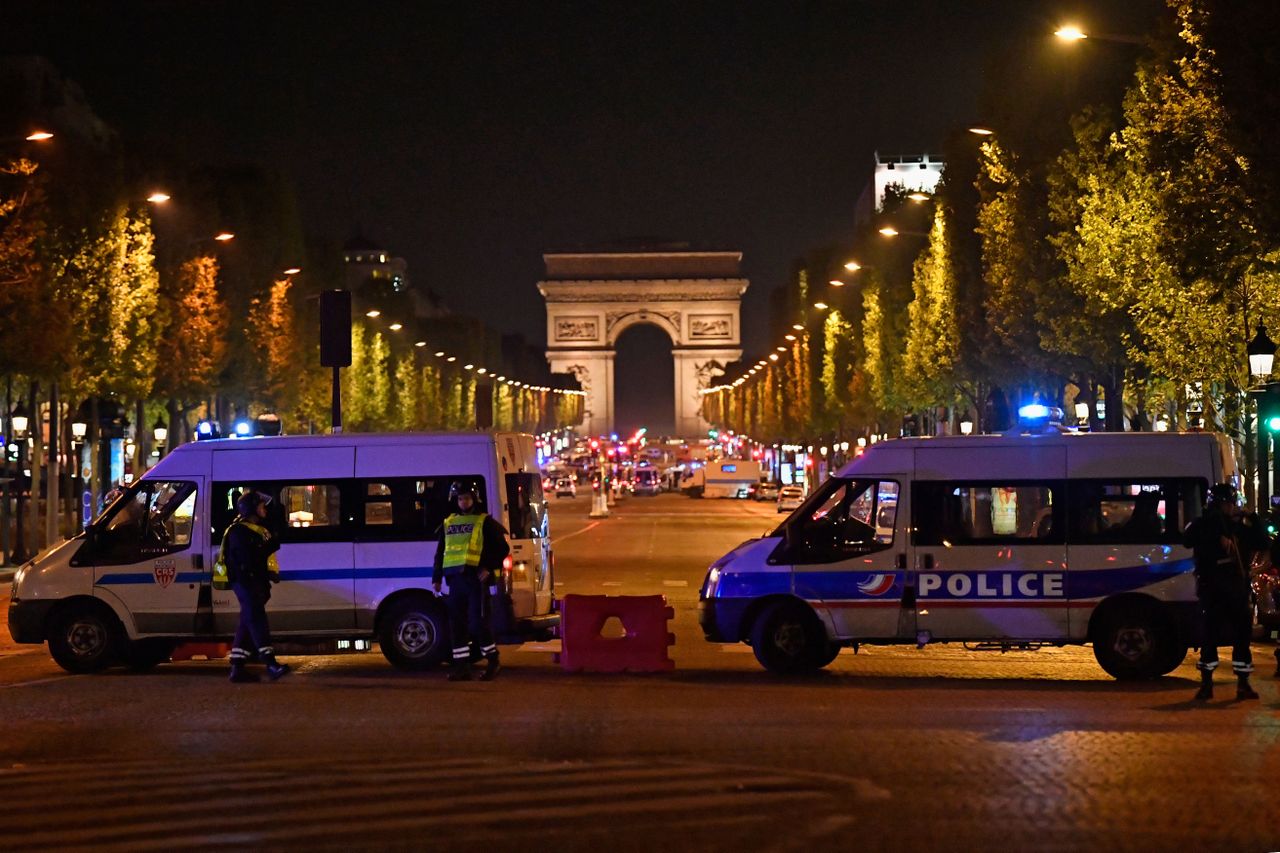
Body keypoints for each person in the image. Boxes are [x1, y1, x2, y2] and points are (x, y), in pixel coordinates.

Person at [1183, 483, 1268, 701]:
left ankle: (1221, 684)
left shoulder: (1234, 528)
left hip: (1224, 591)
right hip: (1223, 591)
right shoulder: (1208, 526)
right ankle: (1222, 684)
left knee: (1227, 637)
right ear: (1224, 504)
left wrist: (1252, 519)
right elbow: (1188, 538)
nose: (1233, 508)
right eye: (1230, 504)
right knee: (1225, 637)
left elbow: (1261, 541)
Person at [432, 482, 510, 682]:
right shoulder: (448, 523)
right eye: (460, 498)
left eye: (467, 498)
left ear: (474, 499)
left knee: (477, 624)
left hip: (475, 581)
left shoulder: (484, 522)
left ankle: (493, 661)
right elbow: (440, 552)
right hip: (455, 582)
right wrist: (437, 578)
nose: (463, 502)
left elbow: (503, 549)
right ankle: (462, 668)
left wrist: (487, 568)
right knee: (456, 625)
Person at [219, 490, 289, 684]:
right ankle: (271, 664)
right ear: (251, 510)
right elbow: (249, 560)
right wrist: (271, 545)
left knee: (246, 622)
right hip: (246, 583)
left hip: (252, 583)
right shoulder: (239, 532)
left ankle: (237, 668)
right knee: (257, 621)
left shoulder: (252, 529)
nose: (264, 509)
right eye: (260, 506)